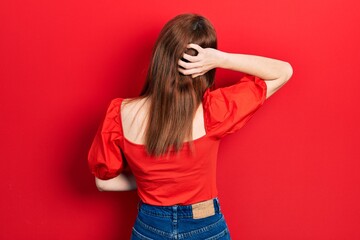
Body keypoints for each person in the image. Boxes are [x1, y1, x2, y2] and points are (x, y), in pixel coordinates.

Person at [87, 13, 293, 240]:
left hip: (150, 226)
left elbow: (103, 183)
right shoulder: (215, 111)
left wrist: (151, 179)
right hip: (204, 224)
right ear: (204, 65)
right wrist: (221, 59)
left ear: (160, 56)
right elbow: (283, 71)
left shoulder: (120, 113)